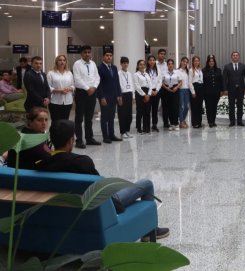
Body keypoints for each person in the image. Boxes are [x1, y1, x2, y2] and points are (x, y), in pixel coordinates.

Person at [35, 120, 169, 241]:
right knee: (146, 184)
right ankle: (149, 231)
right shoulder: (81, 162)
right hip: (102, 209)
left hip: (60, 216)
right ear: (71, 140)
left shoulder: (41, 164)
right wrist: (117, 205)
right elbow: (100, 189)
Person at [73, 45, 101, 149]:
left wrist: (93, 87)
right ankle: (79, 140)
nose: (87, 54)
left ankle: (89, 138)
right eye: (85, 52)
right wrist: (87, 88)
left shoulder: (93, 63)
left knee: (89, 118)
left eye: (89, 52)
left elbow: (97, 77)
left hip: (92, 92)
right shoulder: (77, 64)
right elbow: (77, 79)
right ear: (81, 54)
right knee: (79, 118)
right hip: (81, 93)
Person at [97, 50, 122, 144]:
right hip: (104, 96)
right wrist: (101, 97)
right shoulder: (99, 68)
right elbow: (98, 84)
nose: (109, 57)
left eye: (110, 55)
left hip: (114, 96)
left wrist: (119, 95)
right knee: (104, 117)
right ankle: (105, 136)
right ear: (103, 57)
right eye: (107, 55)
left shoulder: (114, 68)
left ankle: (112, 135)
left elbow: (117, 82)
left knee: (111, 117)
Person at [223, 51, 245, 127]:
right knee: (231, 106)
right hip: (230, 89)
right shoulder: (227, 66)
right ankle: (232, 121)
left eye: (237, 55)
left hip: (240, 89)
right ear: (231, 57)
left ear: (239, 57)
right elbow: (224, 79)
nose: (235, 56)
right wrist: (225, 89)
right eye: (233, 55)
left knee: (240, 105)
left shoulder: (243, 66)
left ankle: (240, 121)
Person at [47, 55, 74, 121]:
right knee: (55, 121)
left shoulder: (69, 73)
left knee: (65, 121)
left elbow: (73, 85)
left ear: (66, 62)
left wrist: (69, 89)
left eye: (64, 60)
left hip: (68, 101)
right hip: (55, 101)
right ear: (56, 62)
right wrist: (60, 90)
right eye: (60, 60)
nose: (62, 62)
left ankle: (64, 132)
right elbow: (48, 87)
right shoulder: (51, 73)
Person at [161, 59, 182, 131]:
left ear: (173, 65)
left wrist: (176, 87)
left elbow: (180, 81)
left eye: (171, 64)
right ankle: (171, 124)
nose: (170, 65)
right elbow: (161, 82)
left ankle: (176, 123)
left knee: (175, 107)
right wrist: (166, 88)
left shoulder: (177, 72)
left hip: (175, 90)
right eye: (169, 64)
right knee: (169, 108)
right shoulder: (164, 73)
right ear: (167, 65)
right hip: (167, 90)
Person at [203, 55, 223, 128]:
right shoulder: (204, 70)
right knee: (209, 107)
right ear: (208, 62)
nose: (211, 62)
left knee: (214, 107)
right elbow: (203, 83)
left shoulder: (218, 70)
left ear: (214, 62)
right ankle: (210, 122)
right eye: (210, 61)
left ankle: (213, 121)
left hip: (216, 92)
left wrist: (221, 90)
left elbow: (221, 81)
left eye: (213, 61)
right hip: (207, 93)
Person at [133, 59, 152, 134]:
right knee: (140, 111)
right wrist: (144, 95)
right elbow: (137, 86)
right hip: (140, 93)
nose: (142, 66)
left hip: (147, 92)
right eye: (140, 64)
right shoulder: (136, 74)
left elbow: (150, 85)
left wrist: (149, 94)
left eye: (143, 64)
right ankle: (139, 128)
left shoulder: (147, 74)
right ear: (138, 66)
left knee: (147, 111)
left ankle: (146, 127)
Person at [117, 57, 134, 139]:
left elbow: (131, 85)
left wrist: (133, 96)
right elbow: (117, 86)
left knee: (129, 115)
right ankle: (122, 132)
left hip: (129, 94)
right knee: (122, 114)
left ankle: (127, 130)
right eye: (123, 63)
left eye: (127, 62)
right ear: (121, 64)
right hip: (122, 95)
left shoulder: (129, 74)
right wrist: (119, 96)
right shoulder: (118, 73)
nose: (125, 64)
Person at [146, 55, 162, 132]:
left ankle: (154, 125)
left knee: (155, 109)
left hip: (156, 91)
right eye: (150, 60)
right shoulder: (145, 70)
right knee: (148, 109)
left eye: (153, 60)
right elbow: (145, 81)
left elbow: (160, 81)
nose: (152, 61)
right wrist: (150, 91)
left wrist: (157, 90)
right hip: (148, 91)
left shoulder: (158, 69)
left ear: (155, 61)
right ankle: (147, 125)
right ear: (148, 61)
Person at [189, 55, 205, 128]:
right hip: (194, 88)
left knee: (199, 106)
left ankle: (199, 122)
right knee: (194, 106)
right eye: (195, 61)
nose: (196, 62)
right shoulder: (191, 70)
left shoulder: (200, 70)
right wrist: (193, 92)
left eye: (197, 61)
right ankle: (195, 123)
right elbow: (190, 82)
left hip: (201, 88)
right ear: (192, 62)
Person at [155, 49, 168, 129]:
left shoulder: (166, 64)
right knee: (155, 106)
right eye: (161, 54)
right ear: (158, 54)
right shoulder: (154, 64)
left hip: (165, 87)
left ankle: (166, 122)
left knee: (165, 106)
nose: (162, 55)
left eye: (164, 54)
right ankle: (154, 124)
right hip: (156, 87)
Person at [178, 57, 191, 129]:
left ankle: (182, 119)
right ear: (181, 62)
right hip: (181, 90)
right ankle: (181, 121)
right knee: (181, 106)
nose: (185, 63)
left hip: (187, 90)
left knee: (187, 106)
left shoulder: (188, 71)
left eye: (186, 62)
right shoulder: (177, 71)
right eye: (184, 61)